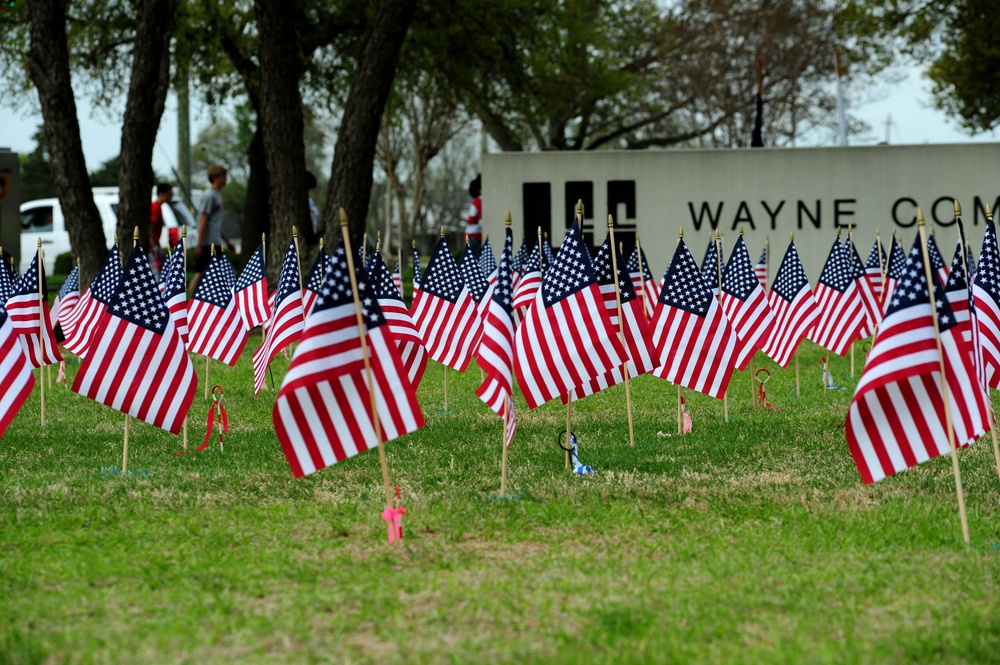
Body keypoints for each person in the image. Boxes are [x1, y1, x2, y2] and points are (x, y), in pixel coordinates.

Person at [191, 164, 235, 292]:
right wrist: (199, 245)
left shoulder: (217, 195)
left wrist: (227, 241)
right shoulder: (209, 196)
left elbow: (215, 223)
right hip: (207, 243)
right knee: (201, 272)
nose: (226, 179)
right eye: (223, 176)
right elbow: (203, 220)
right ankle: (189, 297)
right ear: (215, 177)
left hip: (215, 242)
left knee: (220, 272)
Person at [149, 183, 173, 276]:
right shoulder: (155, 207)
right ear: (162, 194)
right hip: (152, 245)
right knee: (157, 271)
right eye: (169, 194)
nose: (171, 197)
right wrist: (154, 245)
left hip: (155, 243)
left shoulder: (158, 207)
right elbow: (150, 227)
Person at [466, 174, 483, 256]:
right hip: (475, 236)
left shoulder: (476, 201)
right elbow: (481, 222)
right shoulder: (479, 201)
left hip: (472, 236)